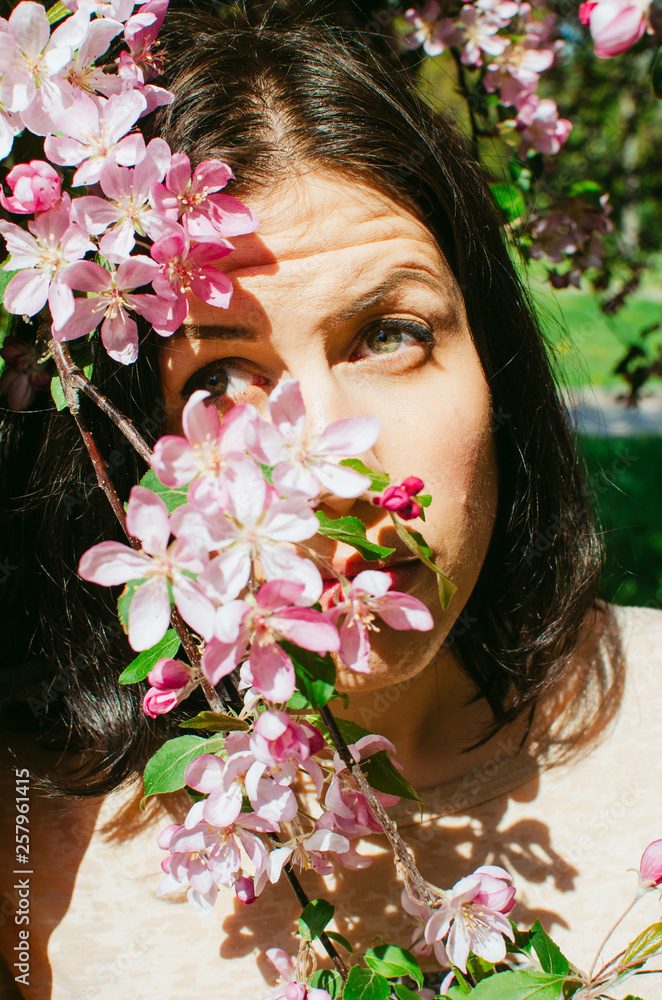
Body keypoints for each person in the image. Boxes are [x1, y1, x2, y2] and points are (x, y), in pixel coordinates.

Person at [1, 7, 661, 999]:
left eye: (389, 334)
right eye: (218, 380)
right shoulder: (36, 860)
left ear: (494, 358)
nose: (329, 477)